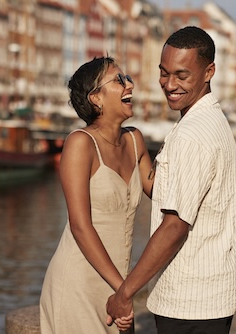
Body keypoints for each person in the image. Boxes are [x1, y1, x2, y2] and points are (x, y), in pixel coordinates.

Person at [106, 26, 236, 333]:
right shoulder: (212, 120)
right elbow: (173, 193)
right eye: (163, 73)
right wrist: (138, 152)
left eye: (182, 75)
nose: (169, 85)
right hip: (212, 292)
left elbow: (175, 226)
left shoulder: (191, 135)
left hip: (191, 299)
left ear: (209, 71)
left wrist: (125, 292)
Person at [39, 56, 154, 333]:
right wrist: (123, 291)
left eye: (126, 78)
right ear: (96, 98)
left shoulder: (135, 139)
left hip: (118, 283)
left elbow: (162, 192)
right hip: (79, 282)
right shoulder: (81, 143)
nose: (129, 85)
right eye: (119, 80)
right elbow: (80, 226)